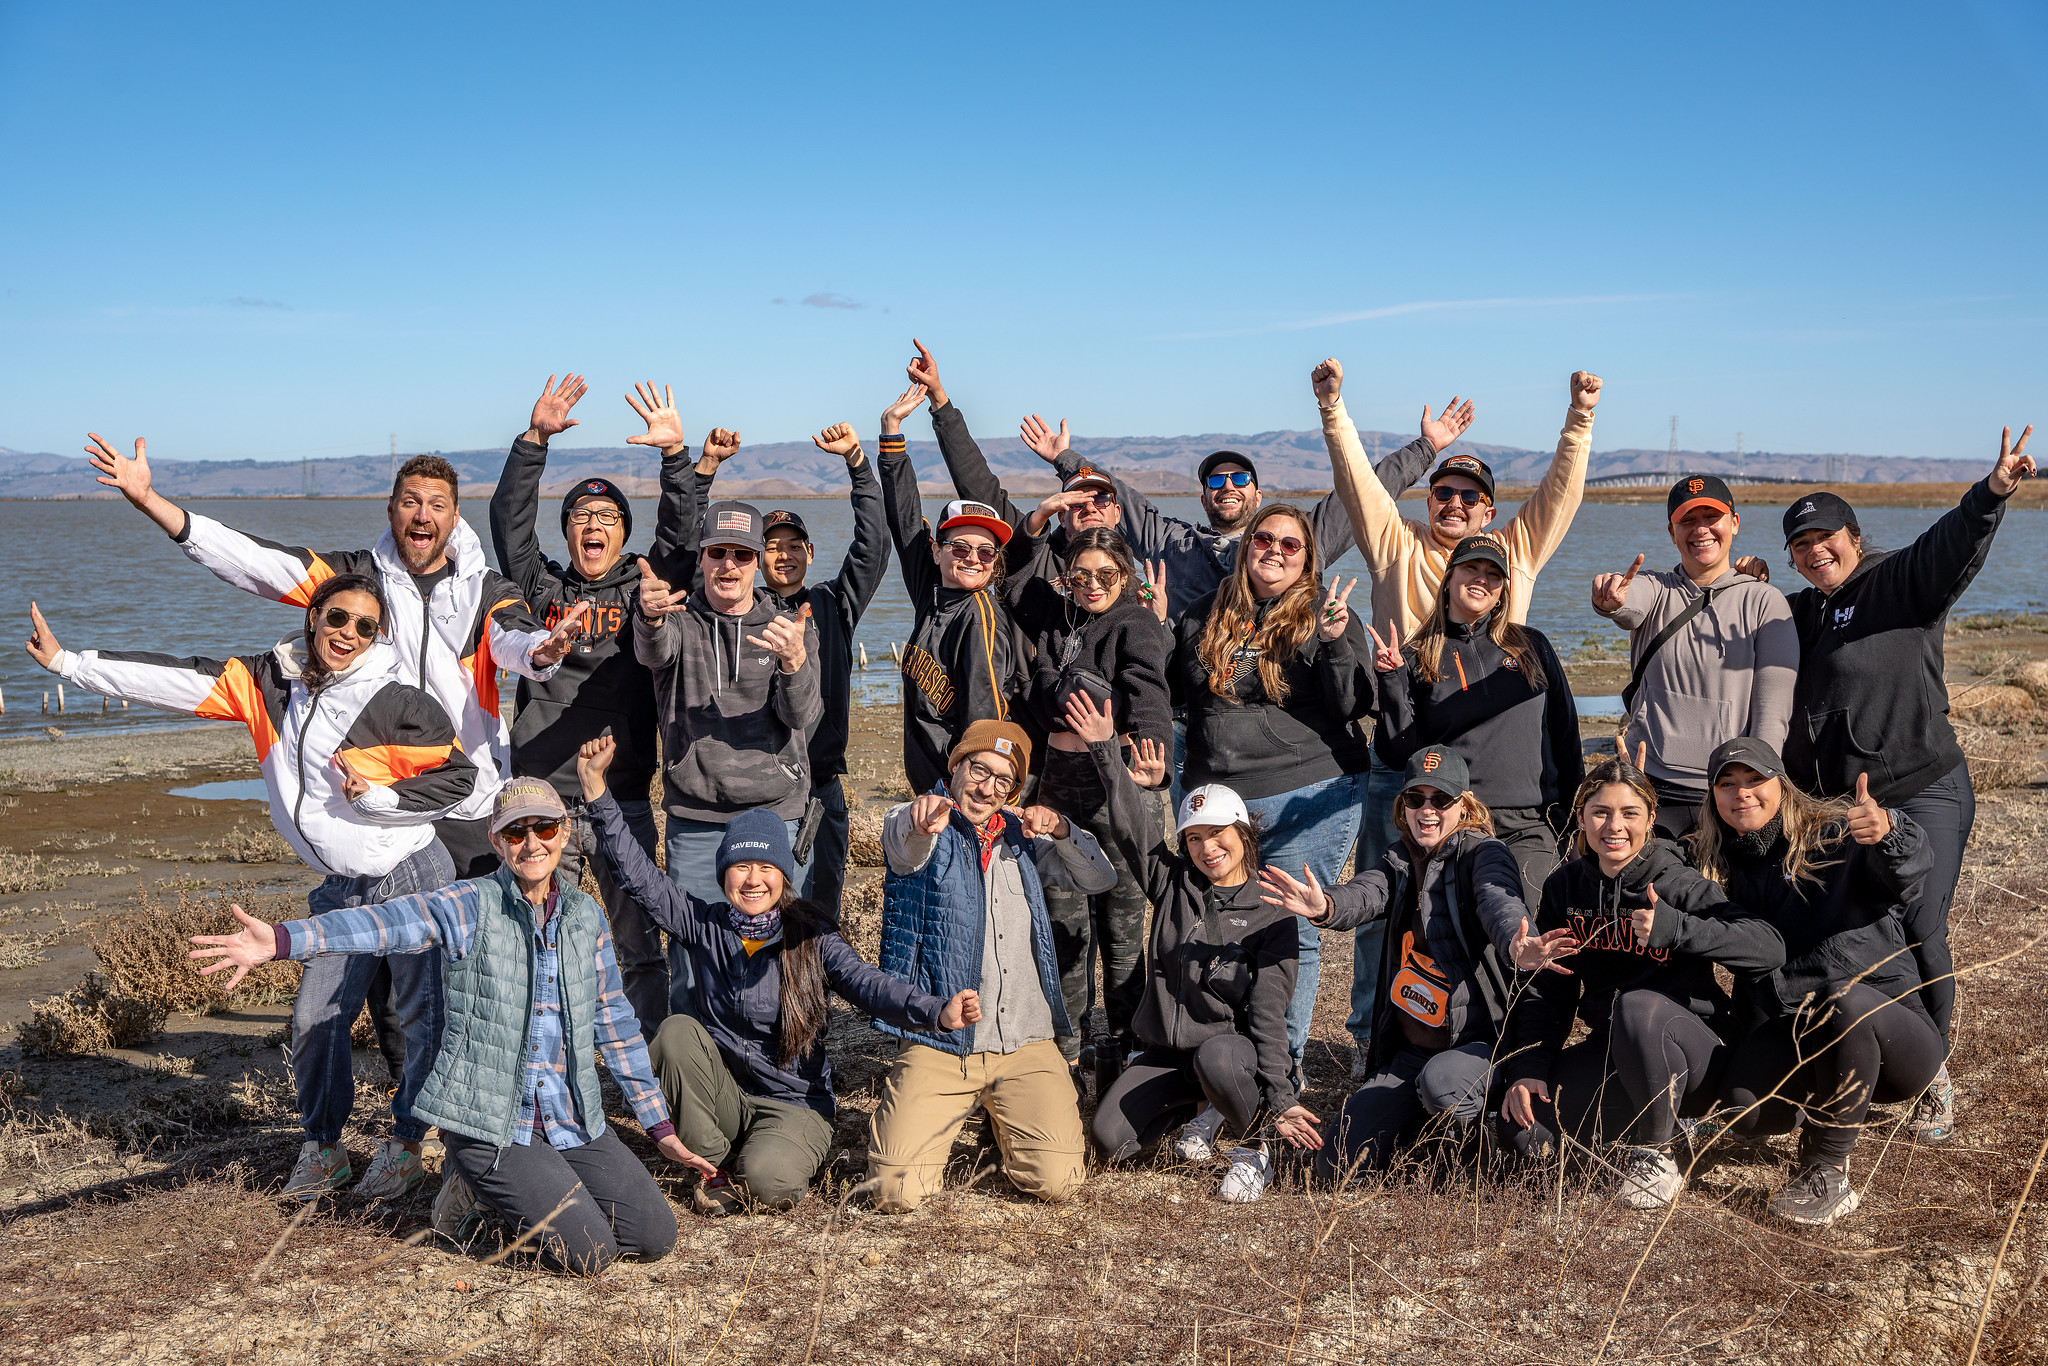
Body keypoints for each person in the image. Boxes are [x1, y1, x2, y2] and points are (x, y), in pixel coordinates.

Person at [28, 576, 477, 1201]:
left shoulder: (396, 699)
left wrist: (380, 799)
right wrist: (69, 664)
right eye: (338, 617)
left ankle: (407, 1143)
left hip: (411, 874)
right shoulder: (268, 683)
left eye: (365, 626)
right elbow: (176, 681)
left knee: (423, 1017)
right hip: (340, 887)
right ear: (314, 617)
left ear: (377, 635)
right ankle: (324, 1150)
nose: (348, 633)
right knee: (315, 1019)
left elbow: (458, 777)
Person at [189, 779, 682, 1275]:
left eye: (545, 828)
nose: (532, 843)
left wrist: (658, 1125)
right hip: (489, 1123)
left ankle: (514, 1184)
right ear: (496, 840)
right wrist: (281, 940)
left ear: (565, 833)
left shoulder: (585, 916)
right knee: (592, 1253)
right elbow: (384, 923)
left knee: (653, 1235)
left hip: (569, 1117)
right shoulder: (470, 904)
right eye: (516, 832)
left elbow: (615, 1023)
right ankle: (476, 1193)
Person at [84, 434, 581, 877]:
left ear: (454, 518)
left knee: (474, 937)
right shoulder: (357, 581)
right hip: (375, 800)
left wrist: (542, 650)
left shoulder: (485, 589)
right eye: (410, 502)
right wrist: (150, 502)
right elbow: (254, 562)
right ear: (391, 510)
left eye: (436, 505)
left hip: (466, 798)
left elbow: (514, 639)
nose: (422, 515)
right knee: (391, 940)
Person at [1313, 360, 1601, 1081]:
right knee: (1391, 913)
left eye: (1471, 497)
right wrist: (1334, 410)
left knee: (1503, 916)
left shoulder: (1509, 557)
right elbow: (1358, 485)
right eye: (1443, 491)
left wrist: (1580, 419)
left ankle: (1498, 1053)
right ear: (1428, 499)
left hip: (1497, 776)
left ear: (1489, 514)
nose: (1455, 503)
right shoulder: (1397, 543)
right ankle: (1377, 1041)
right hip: (1408, 763)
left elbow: (1560, 495)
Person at [572, 735, 978, 1215]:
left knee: (768, 1183)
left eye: (766, 866)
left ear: (783, 875)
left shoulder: (811, 936)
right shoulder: (704, 924)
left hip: (794, 1103)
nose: (753, 879)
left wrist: (936, 1012)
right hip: (726, 1096)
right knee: (675, 1032)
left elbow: (869, 984)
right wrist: (597, 791)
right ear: (724, 875)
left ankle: (770, 1153)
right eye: (741, 866)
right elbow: (638, 876)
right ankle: (711, 1164)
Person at [1777, 422, 2034, 1142]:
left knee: (1920, 923)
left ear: (1855, 538)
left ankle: (1934, 1076)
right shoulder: (1800, 612)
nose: (1815, 551)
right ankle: (1860, 1053)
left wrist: (1991, 493)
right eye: (1800, 544)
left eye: (1826, 537)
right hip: (1843, 805)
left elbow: (1949, 546)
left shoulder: (1895, 583)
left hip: (1923, 788)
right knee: (1860, 928)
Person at [900, 333, 1469, 628]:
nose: (1228, 486)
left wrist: (1427, 449)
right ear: (1202, 496)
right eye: (1216, 480)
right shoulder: (1172, 543)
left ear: (1258, 492)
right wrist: (1065, 458)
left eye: (1239, 477)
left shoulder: (1294, 543)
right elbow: (1106, 497)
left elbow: (1363, 491)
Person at [1260, 747, 1577, 1181]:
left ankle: (1472, 1129)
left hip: (1476, 1046)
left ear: (1464, 806)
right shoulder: (1399, 858)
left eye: (1441, 799)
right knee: (1336, 1165)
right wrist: (1325, 905)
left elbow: (1498, 900)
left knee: (1442, 1084)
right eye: (1415, 798)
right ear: (1403, 805)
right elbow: (1365, 893)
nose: (1427, 810)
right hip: (1412, 1053)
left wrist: (1515, 944)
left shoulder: (1484, 854)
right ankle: (1419, 1127)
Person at [1498, 757, 1784, 1209]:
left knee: (1637, 1006)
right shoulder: (1565, 888)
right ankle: (1652, 1129)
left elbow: (1768, 947)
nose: (1614, 826)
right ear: (1581, 818)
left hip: (1693, 1056)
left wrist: (1676, 928)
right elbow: (1549, 991)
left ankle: (1657, 1152)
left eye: (1629, 813)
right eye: (1600, 812)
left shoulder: (1675, 881)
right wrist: (1528, 1067)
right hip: (1616, 1051)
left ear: (1651, 819)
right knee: (1521, 1134)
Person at [1691, 739, 1945, 1225]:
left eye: (1755, 780)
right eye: (1727, 783)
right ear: (1712, 797)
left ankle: (1828, 1169)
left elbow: (1907, 875)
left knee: (1842, 1001)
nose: (1742, 793)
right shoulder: (1717, 862)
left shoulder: (1835, 836)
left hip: (1891, 1038)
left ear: (1782, 786)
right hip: (1798, 1032)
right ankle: (1827, 1104)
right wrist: (1630, 798)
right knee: (1743, 1112)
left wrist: (1890, 830)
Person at [1068, 696, 1313, 1202]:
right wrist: (1106, 750)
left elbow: (1269, 1016)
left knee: (1218, 1058)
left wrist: (1281, 1097)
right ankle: (1205, 1110)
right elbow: (1133, 831)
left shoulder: (1273, 909)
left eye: (1217, 833)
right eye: (1194, 838)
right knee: (1110, 1141)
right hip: (1168, 1055)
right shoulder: (1174, 884)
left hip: (1230, 1053)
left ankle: (1254, 1146)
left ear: (1243, 832)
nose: (1207, 849)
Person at [489, 374, 678, 1027]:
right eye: (580, 518)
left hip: (621, 800)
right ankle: (547, 1060)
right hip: (542, 799)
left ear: (624, 534)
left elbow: (681, 535)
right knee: (541, 944)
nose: (593, 526)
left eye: (607, 518)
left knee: (640, 947)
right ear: (567, 532)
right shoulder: (541, 588)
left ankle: (651, 1060)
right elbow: (509, 525)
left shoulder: (642, 590)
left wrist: (674, 457)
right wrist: (533, 440)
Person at [650, 411, 892, 921]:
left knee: (812, 922)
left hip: (816, 784)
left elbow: (873, 546)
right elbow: (687, 549)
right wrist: (702, 470)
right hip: (747, 794)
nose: (783, 556)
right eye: (772, 547)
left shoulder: (831, 604)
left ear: (810, 552)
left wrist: (857, 463)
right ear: (757, 557)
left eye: (793, 546)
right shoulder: (725, 608)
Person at [867, 720, 1119, 1212]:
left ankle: (1005, 1123)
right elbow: (903, 839)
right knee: (896, 1192)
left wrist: (1063, 829)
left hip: (1025, 1043)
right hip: (940, 1041)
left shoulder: (1024, 841)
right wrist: (919, 818)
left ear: (1014, 790)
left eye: (1003, 780)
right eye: (979, 770)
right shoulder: (922, 822)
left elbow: (1100, 878)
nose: (987, 789)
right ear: (955, 767)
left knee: (1060, 1182)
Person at [1171, 502, 1373, 1081]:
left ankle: (1282, 1068)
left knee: (1288, 925)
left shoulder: (1325, 613)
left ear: (1308, 559)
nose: (1275, 552)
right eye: (1264, 539)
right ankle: (1226, 1059)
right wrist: (1156, 625)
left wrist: (1334, 642)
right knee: (1220, 923)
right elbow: (1178, 695)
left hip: (1309, 789)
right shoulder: (1204, 614)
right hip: (1221, 798)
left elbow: (1354, 704)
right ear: (1246, 546)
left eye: (1291, 545)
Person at [634, 500, 822, 1011]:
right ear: (701, 557)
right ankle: (691, 1053)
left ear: (758, 560)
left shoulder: (788, 625)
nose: (728, 565)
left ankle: (792, 1051)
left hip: (777, 815)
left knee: (786, 952)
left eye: (742, 554)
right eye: (717, 552)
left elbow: (802, 714)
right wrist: (648, 616)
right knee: (692, 953)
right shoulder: (680, 619)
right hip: (696, 818)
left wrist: (794, 661)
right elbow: (653, 649)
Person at [1012, 527, 1173, 1095]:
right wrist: (1041, 521)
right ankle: (1068, 1056)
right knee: (1064, 926)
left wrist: (1154, 754)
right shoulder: (1059, 621)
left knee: (1122, 928)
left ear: (1124, 576)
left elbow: (1149, 688)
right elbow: (1015, 580)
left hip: (1117, 781)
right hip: (1058, 784)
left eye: (1106, 575)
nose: (1093, 585)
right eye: (1081, 575)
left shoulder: (1136, 622)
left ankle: (1127, 1052)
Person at [1371, 534, 1583, 909]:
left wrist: (1575, 823)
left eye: (1493, 574)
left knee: (1528, 928)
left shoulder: (1532, 646)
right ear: (1449, 577)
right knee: (1466, 932)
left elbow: (1566, 737)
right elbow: (1398, 753)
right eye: (1471, 568)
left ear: (1501, 592)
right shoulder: (1417, 657)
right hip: (1458, 821)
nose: (1481, 579)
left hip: (1532, 824)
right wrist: (1391, 679)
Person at [1590, 474, 1798, 841]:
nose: (1700, 529)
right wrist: (1611, 600)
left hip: (1726, 792)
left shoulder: (1764, 601)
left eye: (1711, 517)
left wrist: (1758, 785)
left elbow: (1773, 712)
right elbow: (1628, 603)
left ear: (1734, 523)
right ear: (1672, 532)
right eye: (1687, 520)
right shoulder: (1656, 589)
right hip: (1648, 783)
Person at [877, 383, 1024, 795]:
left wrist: (970, 799)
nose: (973, 558)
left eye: (986, 551)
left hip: (959, 792)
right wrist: (891, 433)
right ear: (938, 551)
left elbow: (986, 722)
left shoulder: (979, 620)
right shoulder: (935, 594)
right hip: (930, 789)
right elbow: (905, 521)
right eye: (960, 547)